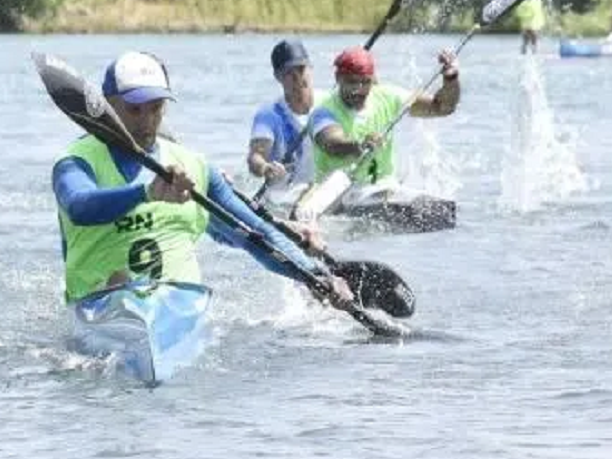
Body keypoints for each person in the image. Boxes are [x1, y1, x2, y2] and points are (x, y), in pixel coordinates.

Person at [52, 51, 351, 304]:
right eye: (133, 109)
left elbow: (254, 234)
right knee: (118, 284)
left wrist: (316, 276)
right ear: (107, 105)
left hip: (177, 307)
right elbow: (79, 206)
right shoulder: (76, 163)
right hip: (100, 305)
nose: (146, 122)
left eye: (155, 108)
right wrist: (145, 194)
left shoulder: (194, 167)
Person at [310, 46, 460, 187]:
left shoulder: (388, 97)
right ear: (338, 78)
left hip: (383, 187)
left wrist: (451, 79)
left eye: (365, 82)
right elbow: (332, 144)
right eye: (352, 82)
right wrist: (359, 146)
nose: (359, 90)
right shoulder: (323, 112)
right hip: (337, 189)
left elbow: (442, 107)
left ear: (372, 79)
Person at [245, 39, 319, 198]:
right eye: (288, 73)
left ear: (310, 69)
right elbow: (255, 157)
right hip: (284, 197)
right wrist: (265, 168)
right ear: (277, 77)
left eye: (301, 69)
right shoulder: (268, 115)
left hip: (321, 193)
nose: (297, 78)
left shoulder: (327, 106)